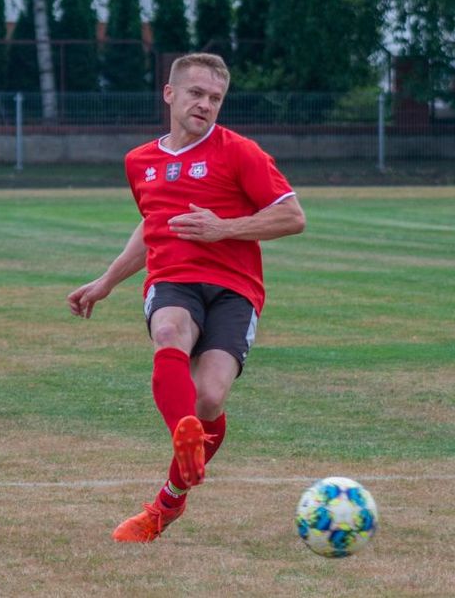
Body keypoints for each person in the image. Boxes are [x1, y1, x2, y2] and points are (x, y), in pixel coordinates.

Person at [67, 52, 305, 543]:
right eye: (196, 93)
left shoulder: (240, 152)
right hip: (173, 278)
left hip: (236, 288)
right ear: (170, 94)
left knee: (210, 397)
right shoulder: (140, 162)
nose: (205, 104)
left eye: (215, 98)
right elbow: (151, 227)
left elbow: (292, 216)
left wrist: (224, 229)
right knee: (170, 329)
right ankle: (185, 438)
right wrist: (107, 281)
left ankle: (168, 502)